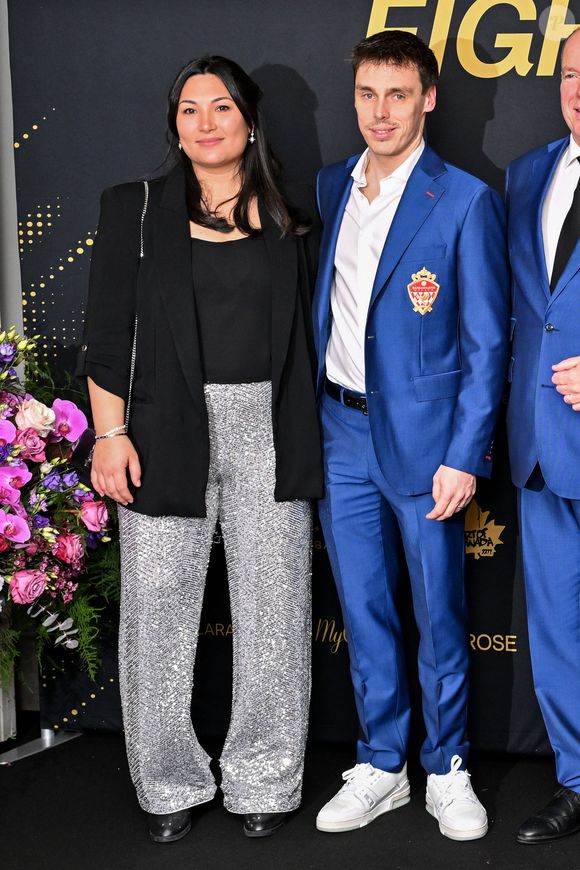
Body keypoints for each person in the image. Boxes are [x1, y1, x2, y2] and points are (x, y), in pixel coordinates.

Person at [76, 55, 323, 843]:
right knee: (156, 613)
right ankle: (169, 781)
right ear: (174, 125)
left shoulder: (291, 215)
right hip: (159, 428)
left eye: (221, 107)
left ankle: (264, 779)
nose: (206, 123)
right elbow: (107, 337)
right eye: (189, 109)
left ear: (249, 120)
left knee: (275, 615)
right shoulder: (134, 208)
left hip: (270, 425)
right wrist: (109, 436)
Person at [312, 31, 509, 841]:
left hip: (428, 447)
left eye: (398, 94)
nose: (380, 111)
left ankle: (448, 764)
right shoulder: (331, 189)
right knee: (364, 611)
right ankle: (383, 762)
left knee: (437, 611)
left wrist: (465, 454)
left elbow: (487, 342)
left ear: (428, 99)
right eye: (367, 93)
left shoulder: (463, 199)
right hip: (338, 431)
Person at [506, 28, 580, 845]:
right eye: (571, 74)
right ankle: (577, 779)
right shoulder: (527, 173)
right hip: (540, 446)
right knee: (558, 628)